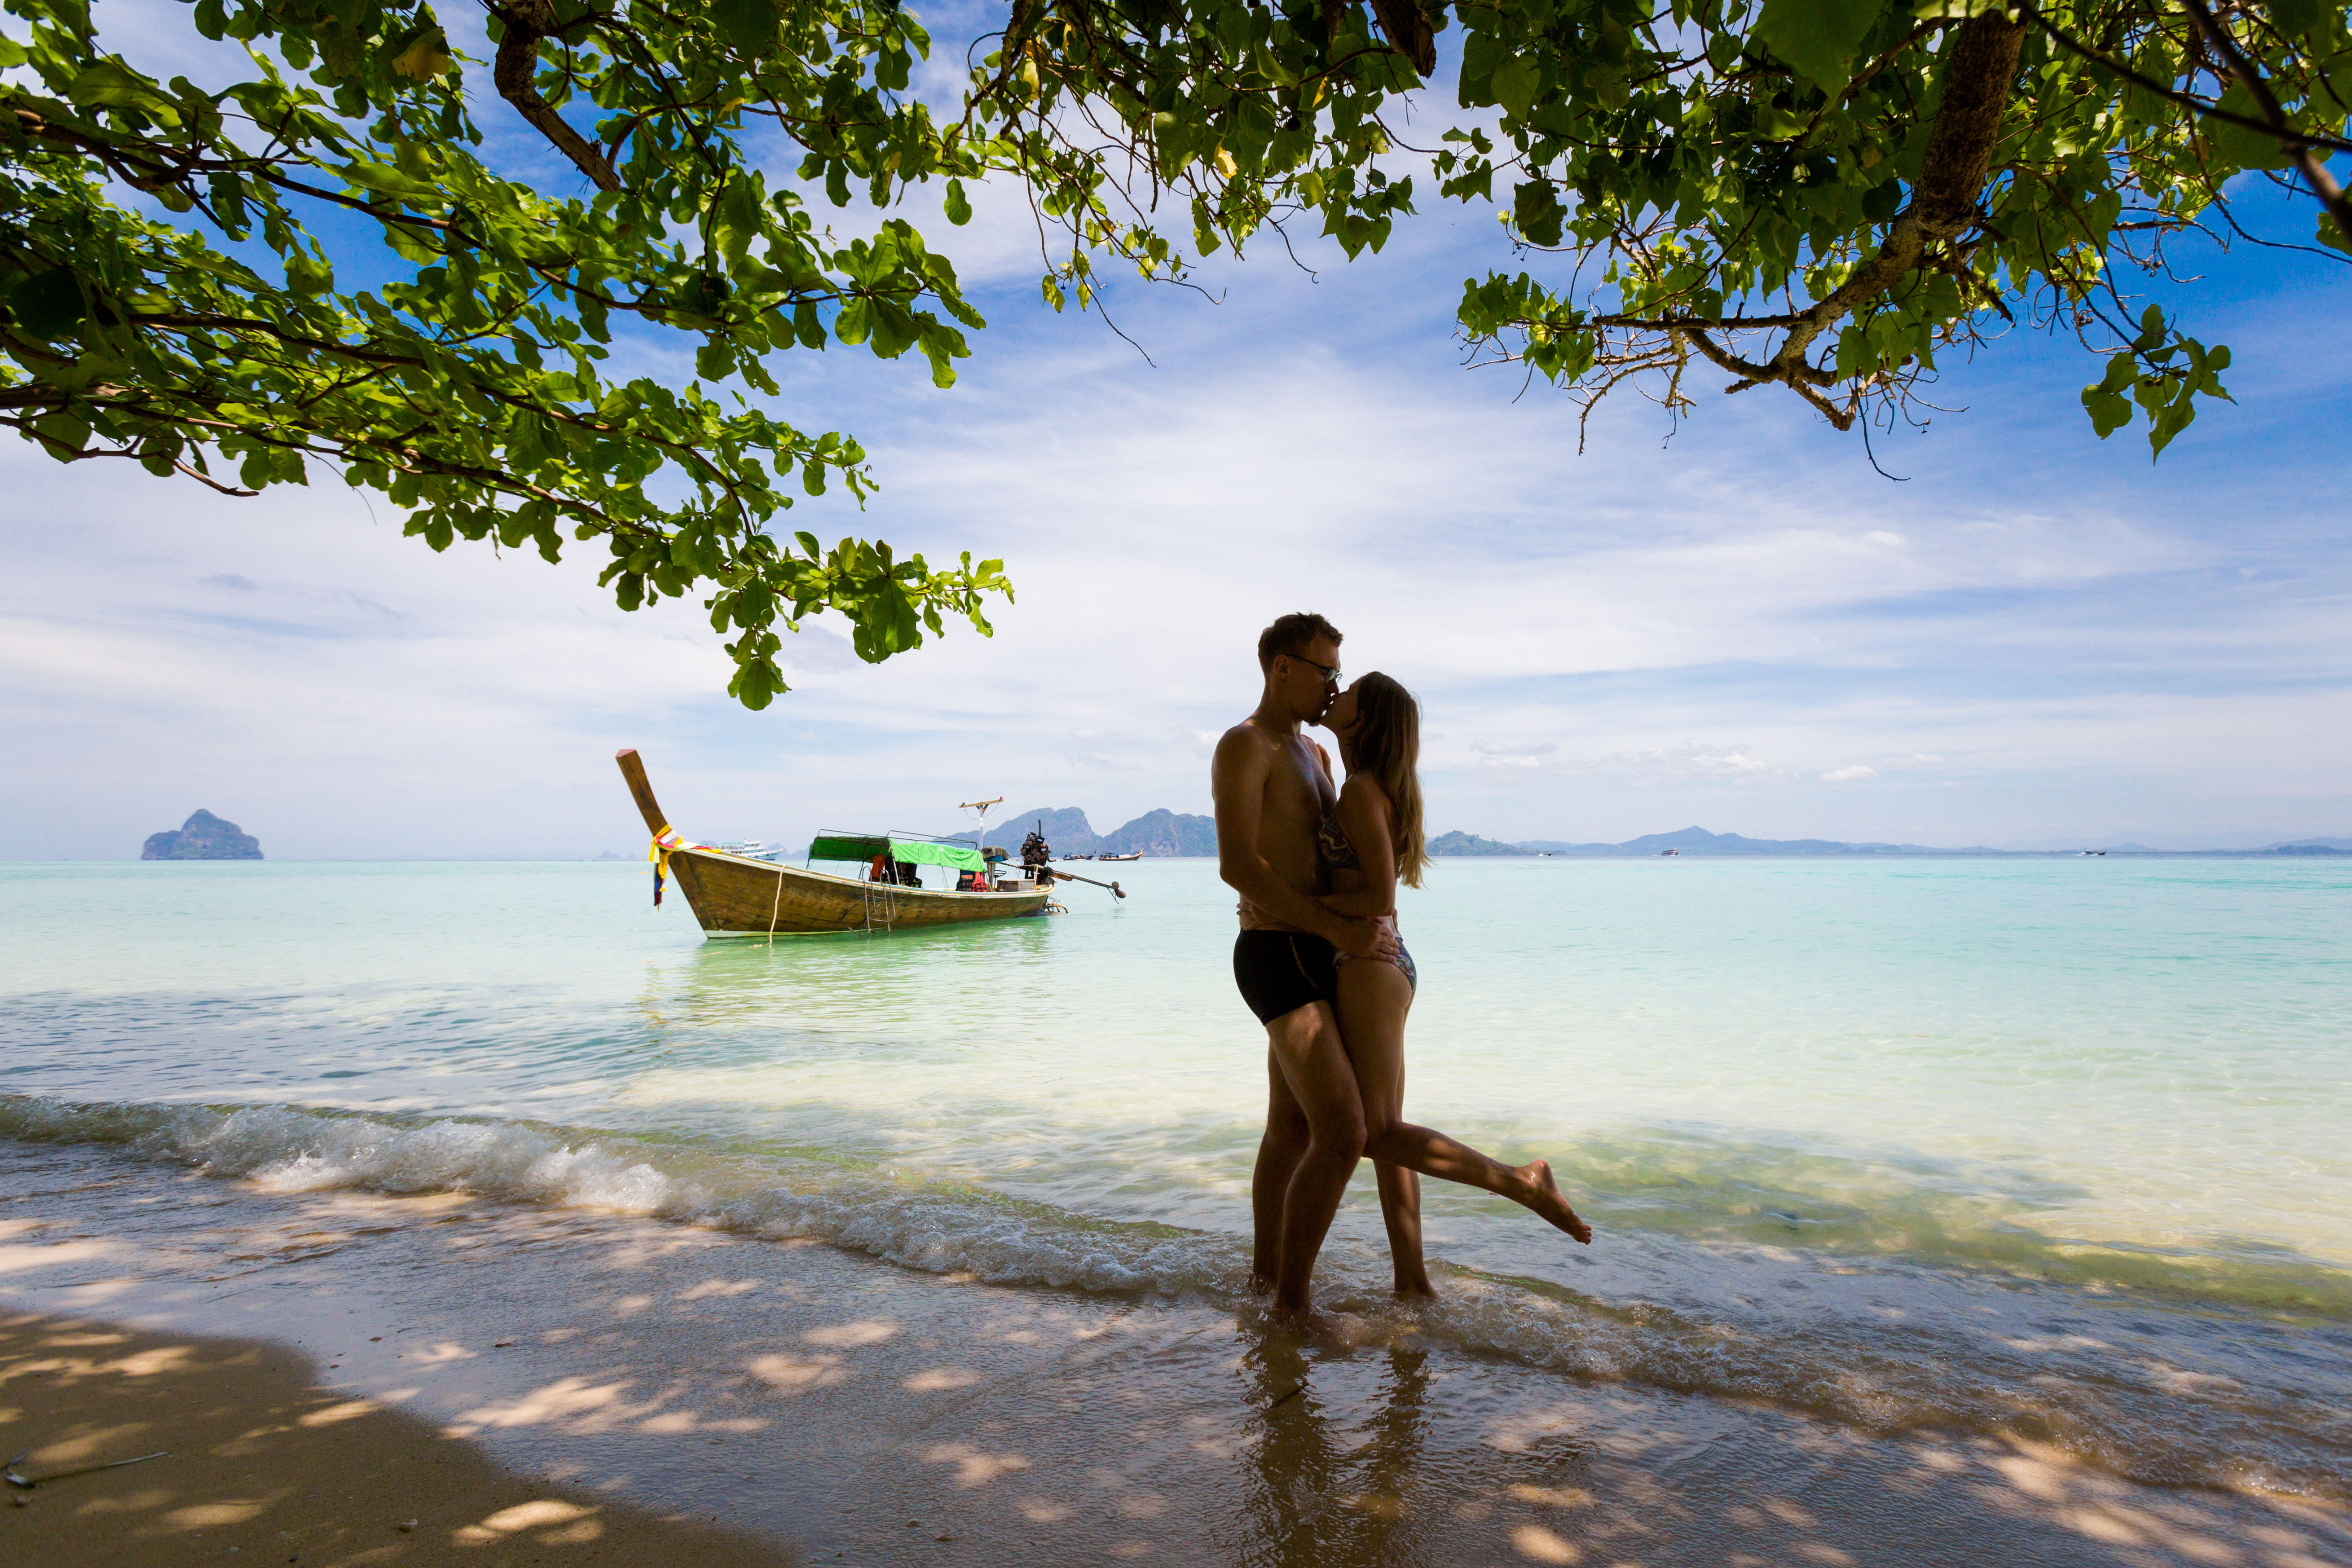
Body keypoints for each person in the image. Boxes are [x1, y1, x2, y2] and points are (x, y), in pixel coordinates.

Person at [1311, 670, 1593, 1302]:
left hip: (1369, 966)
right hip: (1386, 967)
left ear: (1367, 718)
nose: (1338, 692)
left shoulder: (1361, 790)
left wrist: (1299, 900)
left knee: (1374, 1133)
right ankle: (1412, 1282)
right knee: (1390, 1137)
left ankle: (1521, 1181)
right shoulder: (1371, 785)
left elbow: (1378, 894)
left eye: (1350, 690)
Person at [1212, 612, 1399, 1316]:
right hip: (1271, 950)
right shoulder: (1244, 746)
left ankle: (1264, 1285)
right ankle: (1293, 1307)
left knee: (1290, 1131)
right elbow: (1238, 866)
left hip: (1317, 951)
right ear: (1281, 667)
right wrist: (1331, 927)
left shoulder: (1317, 758)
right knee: (1345, 1133)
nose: (1332, 687)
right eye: (1325, 671)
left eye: (1338, 674)